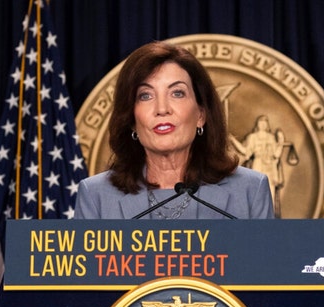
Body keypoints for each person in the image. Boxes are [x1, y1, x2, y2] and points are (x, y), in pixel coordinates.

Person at [74, 41, 274, 220]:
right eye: (145, 95)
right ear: (132, 120)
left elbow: (267, 261)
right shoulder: (96, 196)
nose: (162, 109)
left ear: (201, 115)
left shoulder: (250, 190)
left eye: (177, 93)